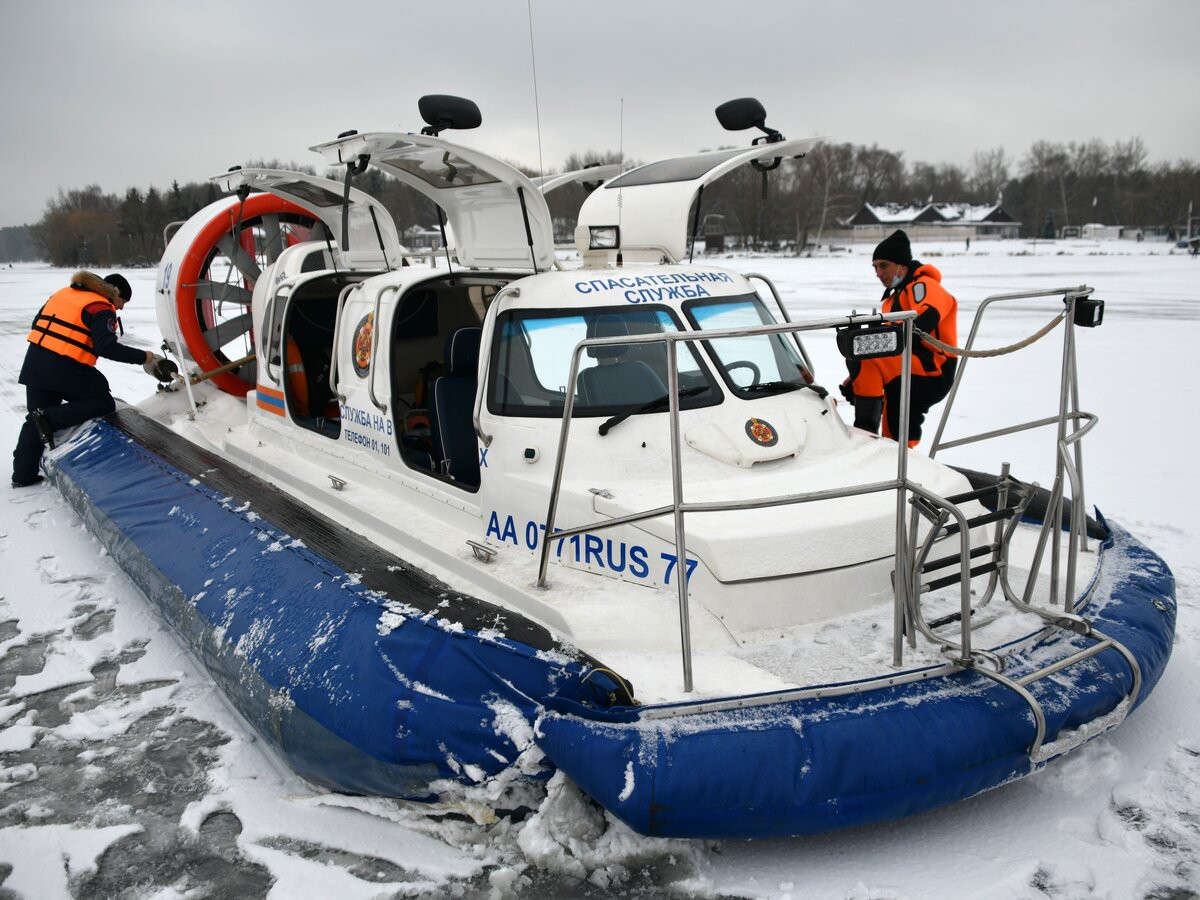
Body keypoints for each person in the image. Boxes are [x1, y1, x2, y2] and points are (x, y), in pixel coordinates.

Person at [12, 270, 175, 487]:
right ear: (112, 292)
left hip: (35, 364)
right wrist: (144, 357)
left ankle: (23, 476)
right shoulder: (100, 307)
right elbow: (107, 347)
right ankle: (50, 418)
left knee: (35, 420)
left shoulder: (62, 294)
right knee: (102, 401)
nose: (122, 307)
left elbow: (37, 324)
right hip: (66, 368)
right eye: (122, 300)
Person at [840, 230, 958, 447]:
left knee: (868, 358)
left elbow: (928, 314)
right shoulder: (891, 300)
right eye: (875, 267)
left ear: (902, 265)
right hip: (912, 364)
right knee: (861, 358)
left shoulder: (924, 286)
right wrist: (857, 378)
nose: (878, 272)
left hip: (935, 368)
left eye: (884, 265)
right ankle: (880, 446)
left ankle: (872, 443)